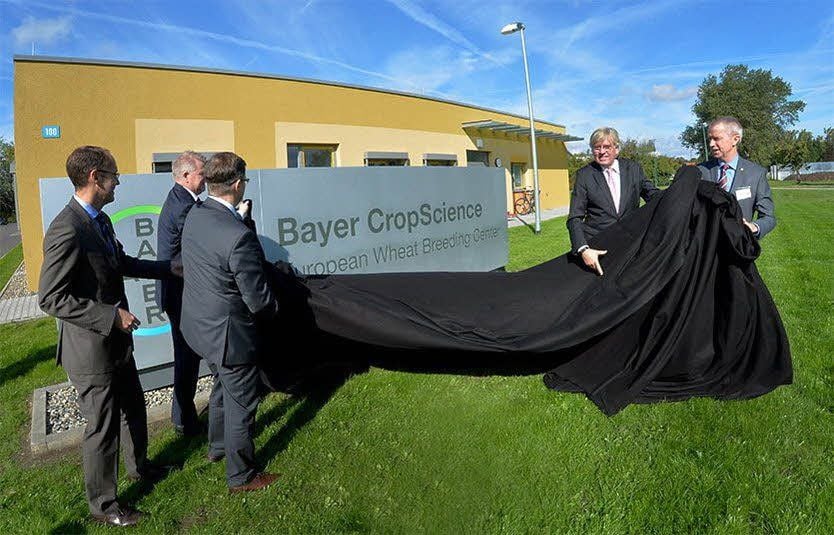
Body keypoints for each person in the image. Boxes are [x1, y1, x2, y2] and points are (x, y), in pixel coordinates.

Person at [38, 146, 174, 527]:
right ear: (95, 178)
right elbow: (51, 297)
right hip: (91, 351)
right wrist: (110, 316)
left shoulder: (101, 221)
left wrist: (168, 268)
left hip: (117, 345)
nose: (119, 182)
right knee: (102, 427)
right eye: (114, 175)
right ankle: (104, 506)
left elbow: (121, 262)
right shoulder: (67, 228)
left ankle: (140, 469)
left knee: (135, 407)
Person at [180, 152, 280, 493]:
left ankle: (217, 447)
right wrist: (278, 313)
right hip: (228, 335)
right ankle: (241, 475)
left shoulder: (196, 214)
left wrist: (242, 220)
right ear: (237, 185)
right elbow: (258, 299)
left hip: (199, 327)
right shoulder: (237, 236)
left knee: (222, 386)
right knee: (242, 404)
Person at [157, 151, 207, 436]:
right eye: (202, 173)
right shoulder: (183, 207)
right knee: (187, 358)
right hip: (180, 294)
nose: (206, 178)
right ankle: (185, 421)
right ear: (186, 176)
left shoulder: (182, 199)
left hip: (179, 293)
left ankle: (182, 417)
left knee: (188, 356)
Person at [567, 127, 659, 276]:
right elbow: (574, 218)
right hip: (598, 250)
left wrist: (680, 192)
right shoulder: (584, 175)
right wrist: (583, 249)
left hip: (632, 246)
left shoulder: (633, 169)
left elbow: (653, 196)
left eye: (607, 147)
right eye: (597, 147)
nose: (602, 151)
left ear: (616, 149)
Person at [697, 116, 776, 238]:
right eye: (710, 139)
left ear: (735, 139)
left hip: (739, 244)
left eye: (717, 138)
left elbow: (768, 217)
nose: (711, 144)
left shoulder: (756, 173)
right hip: (705, 245)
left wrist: (753, 227)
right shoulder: (700, 171)